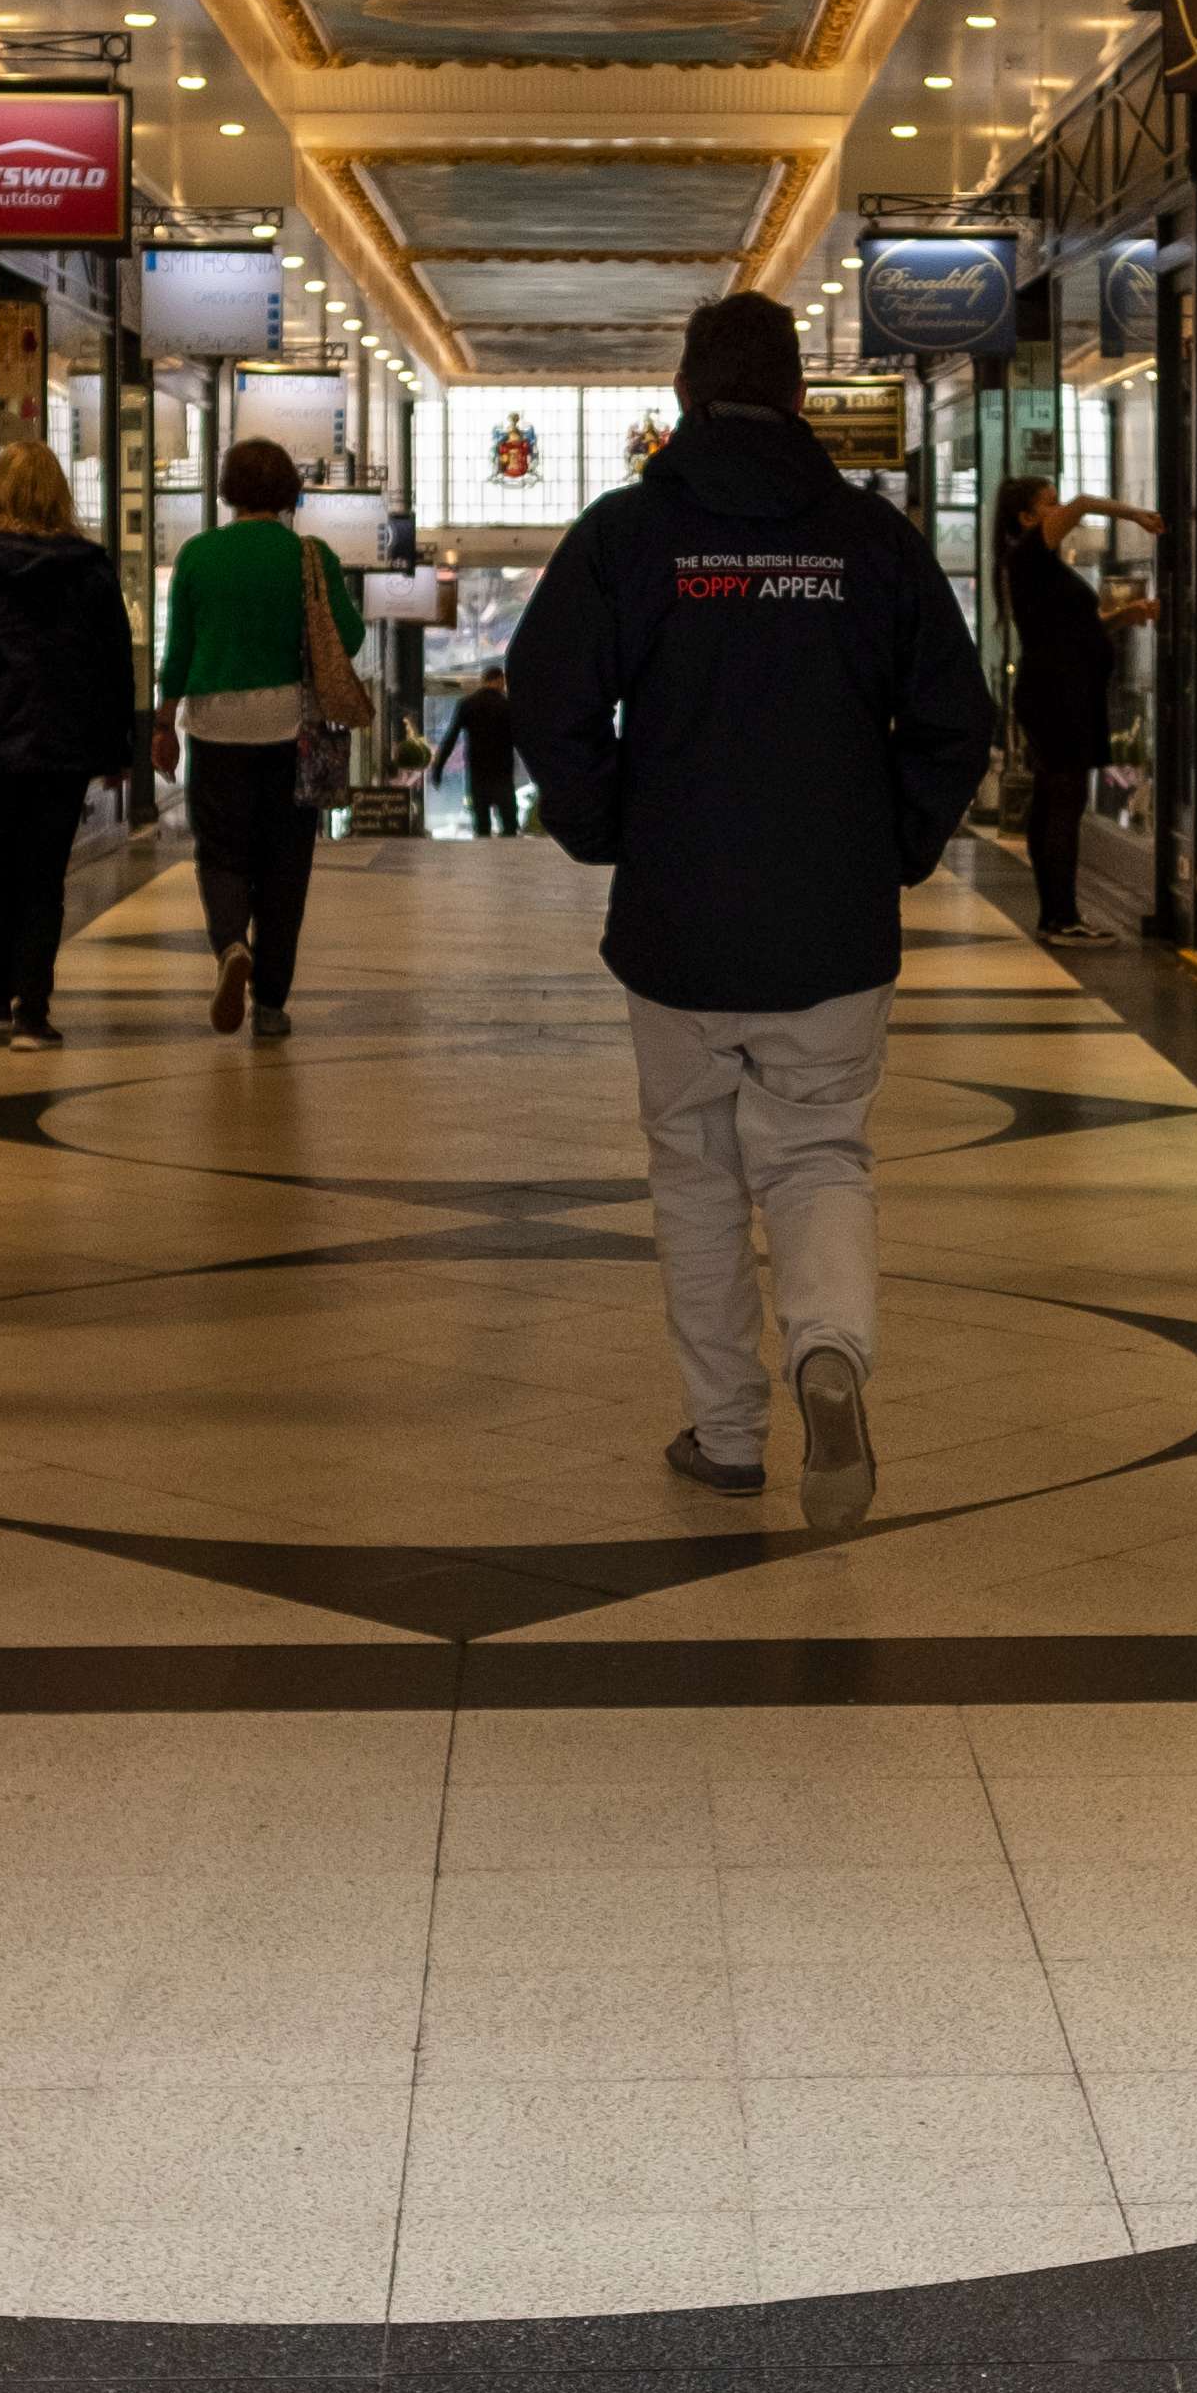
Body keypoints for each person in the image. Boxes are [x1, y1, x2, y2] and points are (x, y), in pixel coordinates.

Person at [513, 291, 994, 1531]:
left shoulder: (627, 535)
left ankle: (729, 1436)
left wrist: (607, 824)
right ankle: (828, 1352)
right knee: (820, 1149)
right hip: (832, 921)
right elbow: (955, 716)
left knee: (695, 1173)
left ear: (684, 394)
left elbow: (549, 690)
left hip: (677, 918)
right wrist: (892, 841)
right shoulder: (872, 541)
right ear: (797, 397)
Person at [0, 438, 143, 1049]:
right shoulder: (90, 565)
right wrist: (122, 747)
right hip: (63, 742)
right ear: (58, 493)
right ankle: (32, 1011)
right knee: (46, 873)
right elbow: (116, 660)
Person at [153, 434, 361, 1042]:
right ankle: (270, 1004)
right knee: (286, 864)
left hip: (215, 727)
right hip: (291, 732)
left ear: (227, 490)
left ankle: (229, 946)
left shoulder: (197, 555)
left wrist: (165, 725)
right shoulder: (310, 557)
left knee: (219, 850)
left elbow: (179, 653)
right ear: (289, 492)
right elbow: (347, 638)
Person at [992, 477, 1160, 945]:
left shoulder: (1038, 568)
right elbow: (1085, 502)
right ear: (1027, 518)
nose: (1061, 508)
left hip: (1060, 691)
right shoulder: (1029, 553)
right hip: (1058, 695)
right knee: (1064, 801)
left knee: (1054, 800)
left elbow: (1073, 632)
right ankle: (1062, 916)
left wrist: (1128, 616)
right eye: (1049, 504)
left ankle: (1055, 914)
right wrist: (1136, 515)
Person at [452, 668, 522, 838]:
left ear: (484, 680)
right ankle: (510, 861)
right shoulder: (509, 706)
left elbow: (451, 737)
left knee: (481, 825)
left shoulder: (467, 704)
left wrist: (438, 768)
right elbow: (522, 739)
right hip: (502, 772)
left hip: (478, 772)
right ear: (499, 681)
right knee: (509, 824)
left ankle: (484, 859)